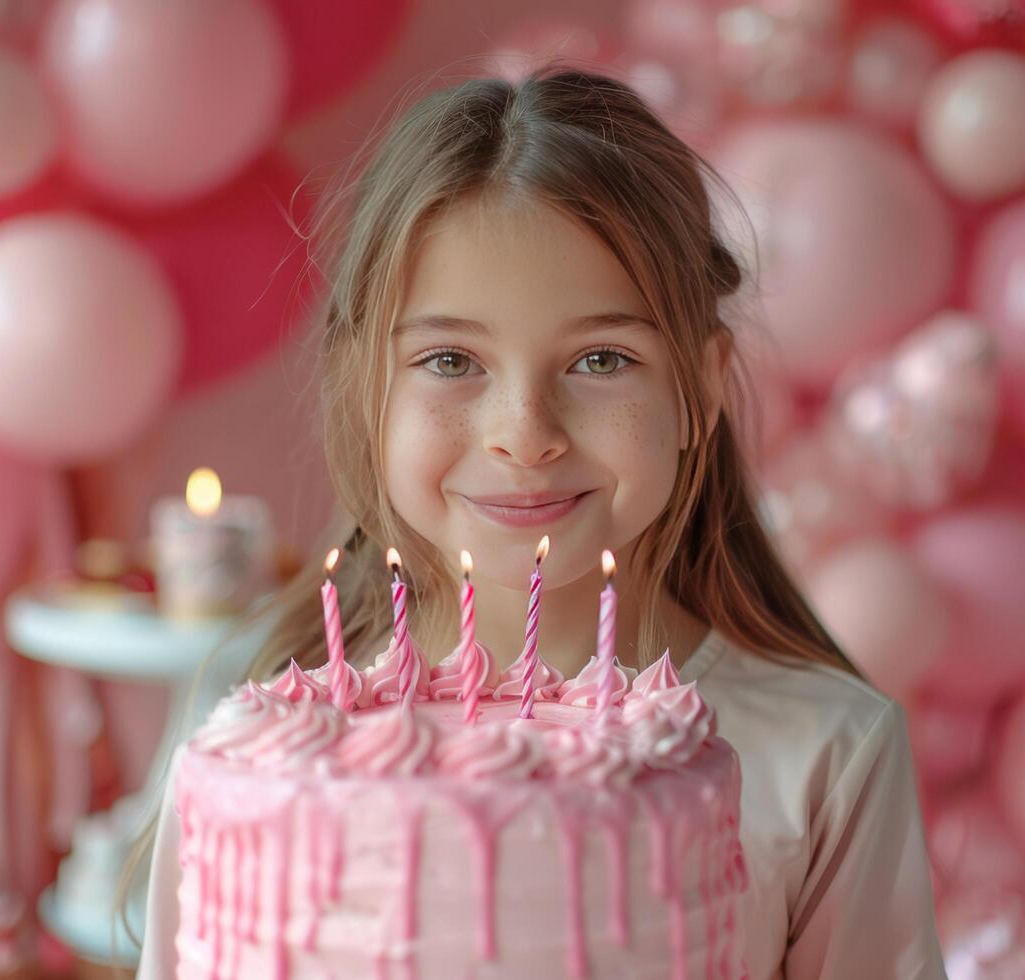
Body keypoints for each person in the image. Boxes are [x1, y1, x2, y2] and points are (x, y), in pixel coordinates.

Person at [131, 65, 947, 979]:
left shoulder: (826, 753)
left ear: (699, 389)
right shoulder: (255, 747)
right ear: (368, 390)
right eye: (450, 359)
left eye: (602, 358)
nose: (525, 434)